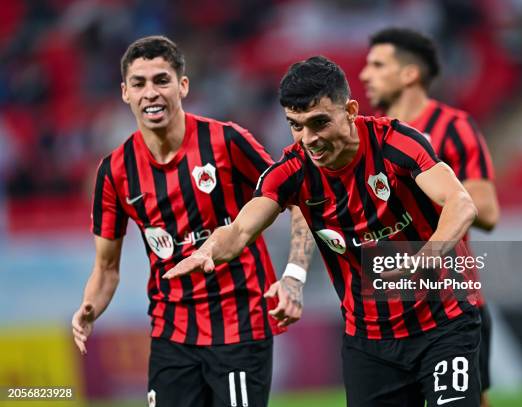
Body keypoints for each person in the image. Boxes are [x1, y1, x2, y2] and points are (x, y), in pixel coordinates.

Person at [165, 55, 483, 407]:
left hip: (443, 323)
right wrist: (208, 249)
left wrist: (425, 258)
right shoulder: (290, 172)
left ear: (349, 110)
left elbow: (461, 203)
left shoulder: (395, 143)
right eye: (296, 125)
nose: (309, 138)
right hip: (369, 342)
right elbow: (241, 230)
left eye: (319, 123)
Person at [71, 35, 311, 407]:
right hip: (171, 335)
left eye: (161, 80)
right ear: (125, 93)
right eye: (139, 83)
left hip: (240, 328)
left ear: (182, 85)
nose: (150, 92)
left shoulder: (227, 141)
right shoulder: (114, 171)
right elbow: (106, 268)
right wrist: (89, 308)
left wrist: (293, 275)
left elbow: (300, 199)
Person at [360, 27, 501, 406]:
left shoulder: (454, 127)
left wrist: (427, 191)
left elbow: (487, 211)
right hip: (385, 309)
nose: (364, 75)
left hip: (452, 300)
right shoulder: (365, 137)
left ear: (410, 74)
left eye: (377, 65)